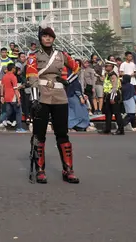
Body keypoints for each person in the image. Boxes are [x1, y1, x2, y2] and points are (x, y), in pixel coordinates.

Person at [26, 21, 81, 184]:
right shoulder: (33, 56)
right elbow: (32, 77)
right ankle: (40, 170)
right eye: (45, 36)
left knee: (62, 133)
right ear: (40, 38)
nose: (48, 39)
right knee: (39, 135)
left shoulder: (61, 55)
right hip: (42, 96)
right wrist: (35, 99)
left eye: (50, 36)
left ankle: (68, 170)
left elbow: (77, 68)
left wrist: (67, 80)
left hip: (59, 96)